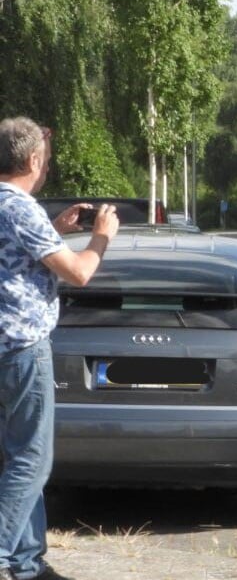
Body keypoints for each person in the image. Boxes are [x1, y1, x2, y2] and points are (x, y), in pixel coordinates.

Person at [0, 118, 118, 580]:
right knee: (32, 458)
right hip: (21, 349)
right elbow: (79, 273)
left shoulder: (13, 209)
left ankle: (27, 563)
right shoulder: (19, 206)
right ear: (32, 160)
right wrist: (101, 236)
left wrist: (54, 227)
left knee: (15, 456)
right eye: (44, 158)